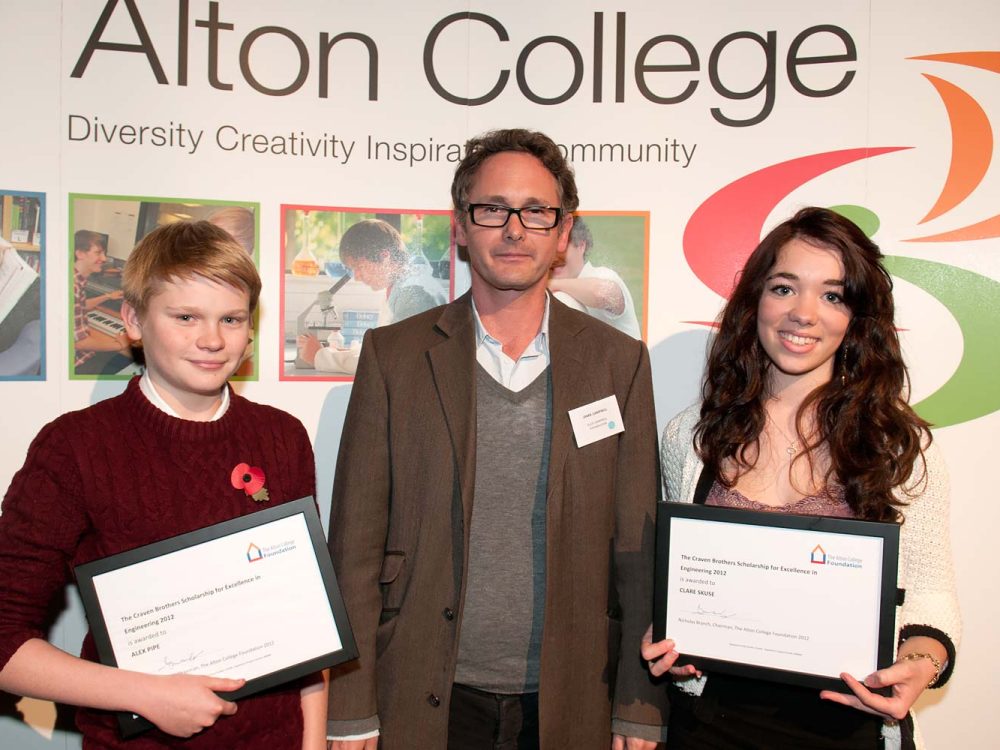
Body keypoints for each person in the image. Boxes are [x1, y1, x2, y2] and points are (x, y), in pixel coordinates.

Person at [326, 129, 666, 749]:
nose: (514, 229)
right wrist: (350, 707)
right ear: (461, 227)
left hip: (573, 699)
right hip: (424, 694)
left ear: (563, 234)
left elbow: (637, 550)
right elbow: (354, 546)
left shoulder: (620, 364)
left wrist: (638, 706)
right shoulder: (393, 358)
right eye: (493, 209)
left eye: (536, 212)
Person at [0, 221, 327, 748]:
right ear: (133, 320)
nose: (213, 340)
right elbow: (4, 638)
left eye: (231, 318)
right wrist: (142, 694)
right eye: (185, 317)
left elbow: (308, 619)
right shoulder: (74, 447)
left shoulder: (282, 437)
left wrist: (312, 743)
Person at [643, 207, 960, 749]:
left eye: (833, 295)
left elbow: (930, 592)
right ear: (755, 301)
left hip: (852, 731)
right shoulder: (691, 437)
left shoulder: (898, 446)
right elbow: (676, 579)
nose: (804, 314)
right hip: (708, 726)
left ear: (857, 317)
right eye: (785, 288)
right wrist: (667, 632)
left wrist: (921, 662)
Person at [549, 217, 641, 338]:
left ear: (581, 246)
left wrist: (551, 284)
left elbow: (602, 294)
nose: (554, 257)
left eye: (562, 248)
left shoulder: (602, 275)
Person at [72, 230, 131, 371]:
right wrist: (120, 344)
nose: (104, 259)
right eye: (98, 253)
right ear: (79, 253)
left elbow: (80, 307)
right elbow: (80, 343)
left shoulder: (75, 278)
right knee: (126, 364)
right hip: (77, 361)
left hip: (82, 353)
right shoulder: (73, 287)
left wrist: (108, 296)